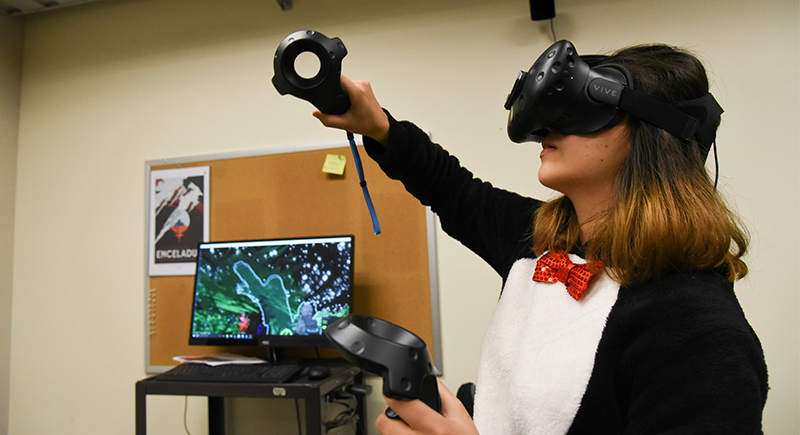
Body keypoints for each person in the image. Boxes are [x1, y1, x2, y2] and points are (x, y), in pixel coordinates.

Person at [313, 43, 768, 434]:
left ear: (658, 138)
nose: (547, 127)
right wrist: (378, 127)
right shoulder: (539, 243)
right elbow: (453, 189)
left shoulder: (698, 331)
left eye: (585, 109)